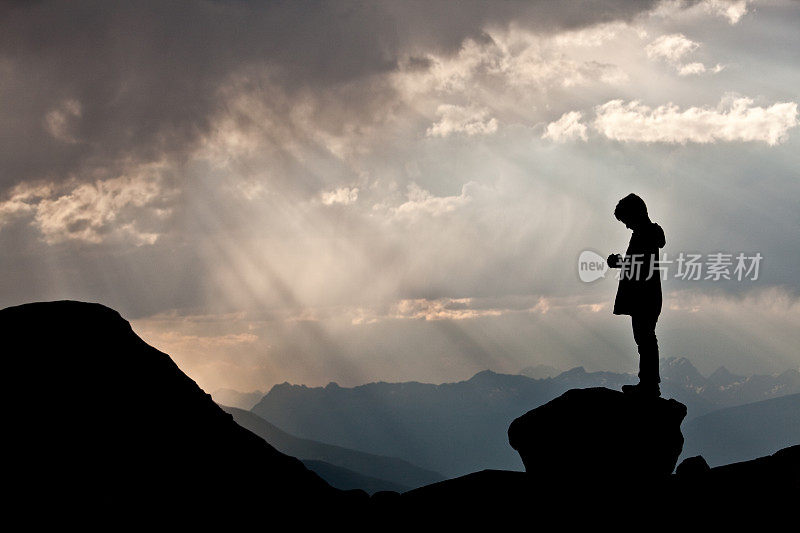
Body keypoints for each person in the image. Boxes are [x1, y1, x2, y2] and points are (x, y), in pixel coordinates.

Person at [607, 194, 665, 397]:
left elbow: (640, 266)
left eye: (626, 220)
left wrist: (618, 263)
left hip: (644, 297)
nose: (626, 226)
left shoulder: (644, 234)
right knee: (645, 338)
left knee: (645, 339)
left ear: (635, 214)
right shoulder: (647, 233)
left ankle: (649, 385)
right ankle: (648, 383)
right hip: (648, 296)